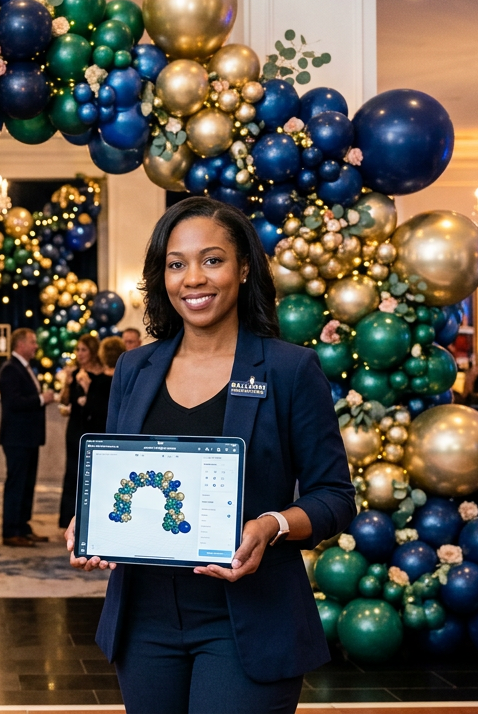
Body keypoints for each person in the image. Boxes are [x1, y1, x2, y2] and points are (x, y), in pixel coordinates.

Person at [66, 198, 355, 713]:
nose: (192, 279)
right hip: (144, 622)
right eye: (176, 264)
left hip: (249, 621)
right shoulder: (134, 368)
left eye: (212, 259)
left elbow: (333, 497)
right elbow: (117, 475)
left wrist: (271, 525)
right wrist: (89, 523)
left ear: (244, 268)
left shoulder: (289, 370)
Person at [0, 327, 57, 546]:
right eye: (32, 342)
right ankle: (11, 531)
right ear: (20, 344)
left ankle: (22, 526)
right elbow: (13, 403)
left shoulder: (23, 367)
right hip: (16, 438)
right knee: (17, 484)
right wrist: (41, 399)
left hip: (28, 437)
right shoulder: (10, 369)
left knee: (27, 484)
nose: (35, 346)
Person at [58, 336, 108, 529]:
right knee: (72, 470)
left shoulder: (103, 374)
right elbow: (64, 400)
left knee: (92, 472)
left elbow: (102, 403)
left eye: (84, 350)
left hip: (95, 427)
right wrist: (68, 382)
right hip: (76, 427)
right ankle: (67, 517)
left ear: (93, 351)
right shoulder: (75, 372)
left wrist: (88, 390)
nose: (79, 354)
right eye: (77, 350)